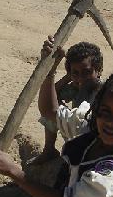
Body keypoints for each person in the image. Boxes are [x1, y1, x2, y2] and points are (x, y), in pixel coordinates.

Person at [32, 35, 103, 165]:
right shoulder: (76, 88)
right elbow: (53, 95)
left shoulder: (103, 93)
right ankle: (49, 150)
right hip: (76, 136)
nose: (81, 78)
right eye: (75, 73)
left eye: (86, 72)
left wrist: (53, 72)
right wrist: (58, 69)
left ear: (98, 71)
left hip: (94, 147)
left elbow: (48, 108)